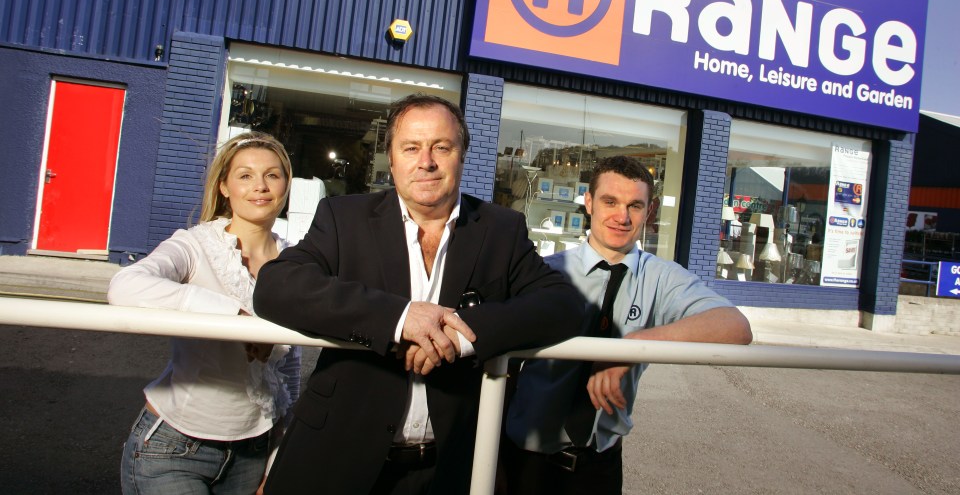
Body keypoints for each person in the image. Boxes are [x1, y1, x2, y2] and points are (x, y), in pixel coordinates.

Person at [253, 93, 584, 495]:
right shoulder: (345, 218)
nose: (425, 161)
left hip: (445, 471)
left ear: (462, 155)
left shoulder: (501, 229)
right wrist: (399, 318)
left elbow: (562, 305)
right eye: (411, 147)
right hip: (336, 459)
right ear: (391, 159)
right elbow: (276, 286)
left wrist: (462, 334)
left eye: (441, 147)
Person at [503, 155, 753, 495]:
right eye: (610, 202)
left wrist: (631, 347)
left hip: (598, 469)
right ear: (589, 203)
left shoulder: (662, 278)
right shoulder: (544, 271)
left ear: (649, 213)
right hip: (523, 463)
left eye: (635, 206)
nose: (622, 217)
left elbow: (735, 326)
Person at [108, 131, 301, 495]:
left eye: (272, 175)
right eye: (245, 175)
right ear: (225, 187)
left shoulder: (297, 261)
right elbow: (125, 286)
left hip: (252, 454)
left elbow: (287, 373)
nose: (260, 186)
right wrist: (235, 318)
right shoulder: (195, 244)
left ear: (286, 184)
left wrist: (277, 459)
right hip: (173, 449)